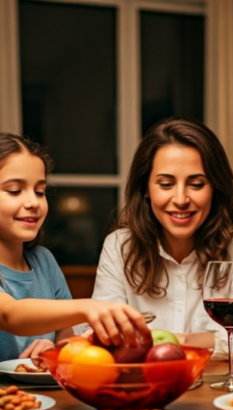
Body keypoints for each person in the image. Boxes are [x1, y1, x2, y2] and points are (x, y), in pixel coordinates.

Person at [84, 118, 233, 355]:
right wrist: (206, 341)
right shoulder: (119, 246)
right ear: (145, 188)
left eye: (196, 184)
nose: (181, 199)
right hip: (146, 387)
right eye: (166, 184)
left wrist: (170, 340)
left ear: (215, 187)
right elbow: (103, 336)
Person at [0, 133, 151, 360]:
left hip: (43, 396)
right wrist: (89, 307)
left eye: (40, 191)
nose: (33, 202)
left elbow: (67, 337)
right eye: (14, 190)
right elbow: (10, 316)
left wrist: (56, 348)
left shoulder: (44, 261)